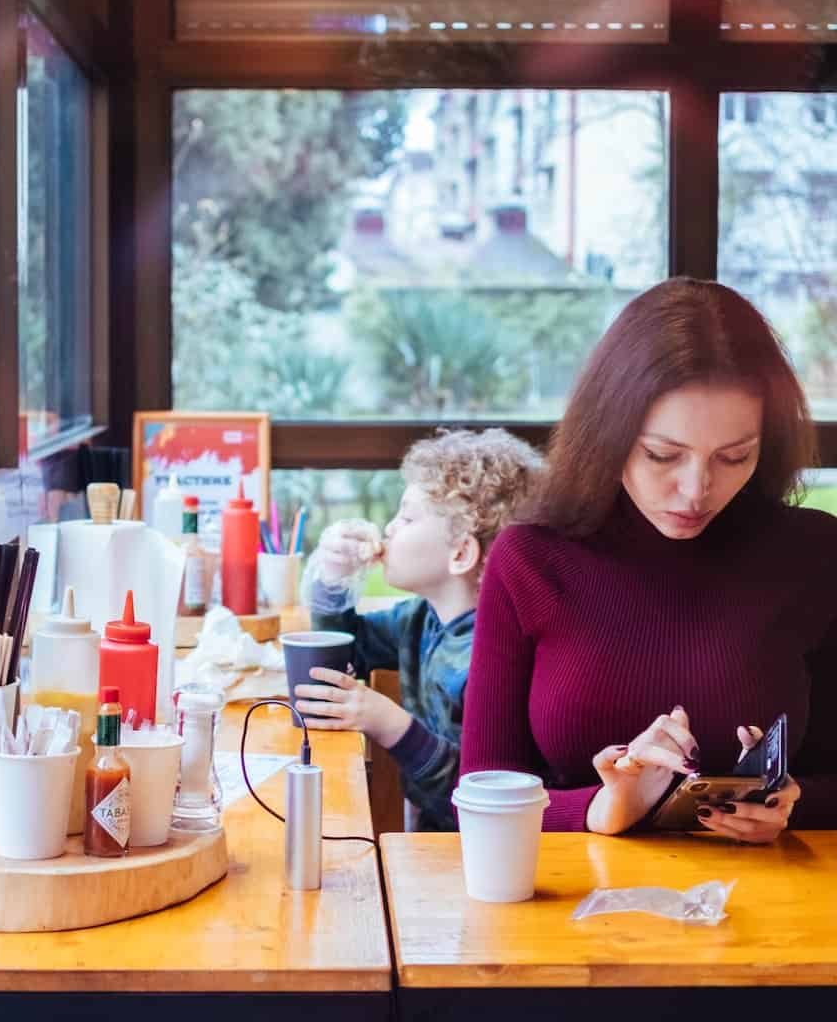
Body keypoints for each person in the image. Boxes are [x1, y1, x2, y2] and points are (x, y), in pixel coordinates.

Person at [460, 277, 837, 842]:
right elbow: (482, 790)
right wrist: (604, 809)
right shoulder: (532, 558)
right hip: (570, 908)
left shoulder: (813, 553)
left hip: (776, 911)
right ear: (608, 434)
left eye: (734, 457)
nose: (696, 490)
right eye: (663, 454)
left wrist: (792, 805)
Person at [294, 428, 543, 830]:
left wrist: (389, 723)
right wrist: (333, 578)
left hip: (483, 851)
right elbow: (345, 652)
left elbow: (479, 803)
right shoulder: (420, 618)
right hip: (434, 840)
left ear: (461, 553)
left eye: (407, 518)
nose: (389, 529)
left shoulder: (490, 660)